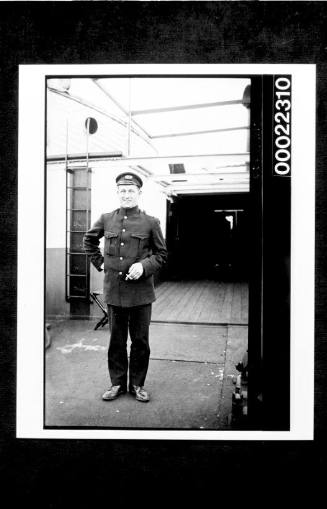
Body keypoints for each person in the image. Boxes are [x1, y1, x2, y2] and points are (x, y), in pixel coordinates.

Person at [83, 172, 167, 402]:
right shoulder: (106, 218)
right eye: (123, 191)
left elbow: (161, 255)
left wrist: (144, 266)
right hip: (115, 292)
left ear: (139, 193)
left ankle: (137, 385)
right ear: (117, 193)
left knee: (140, 342)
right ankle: (117, 384)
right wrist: (101, 264)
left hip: (141, 294)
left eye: (131, 190)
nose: (127, 194)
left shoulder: (151, 222)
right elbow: (88, 241)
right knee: (116, 342)